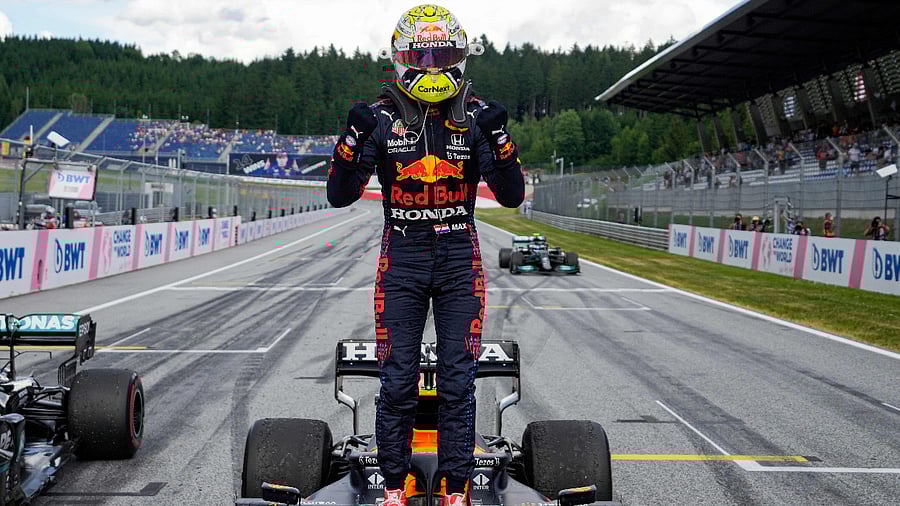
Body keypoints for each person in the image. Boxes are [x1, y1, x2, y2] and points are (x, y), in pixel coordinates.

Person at [326, 6, 525, 506]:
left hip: (461, 261)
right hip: (404, 259)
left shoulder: (479, 116)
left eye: (444, 55)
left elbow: (510, 194)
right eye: (422, 55)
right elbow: (340, 194)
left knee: (460, 381)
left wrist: (501, 143)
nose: (434, 67)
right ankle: (394, 487)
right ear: (401, 58)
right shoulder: (380, 117)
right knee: (397, 382)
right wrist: (350, 143)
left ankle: (457, 491)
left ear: (461, 57)